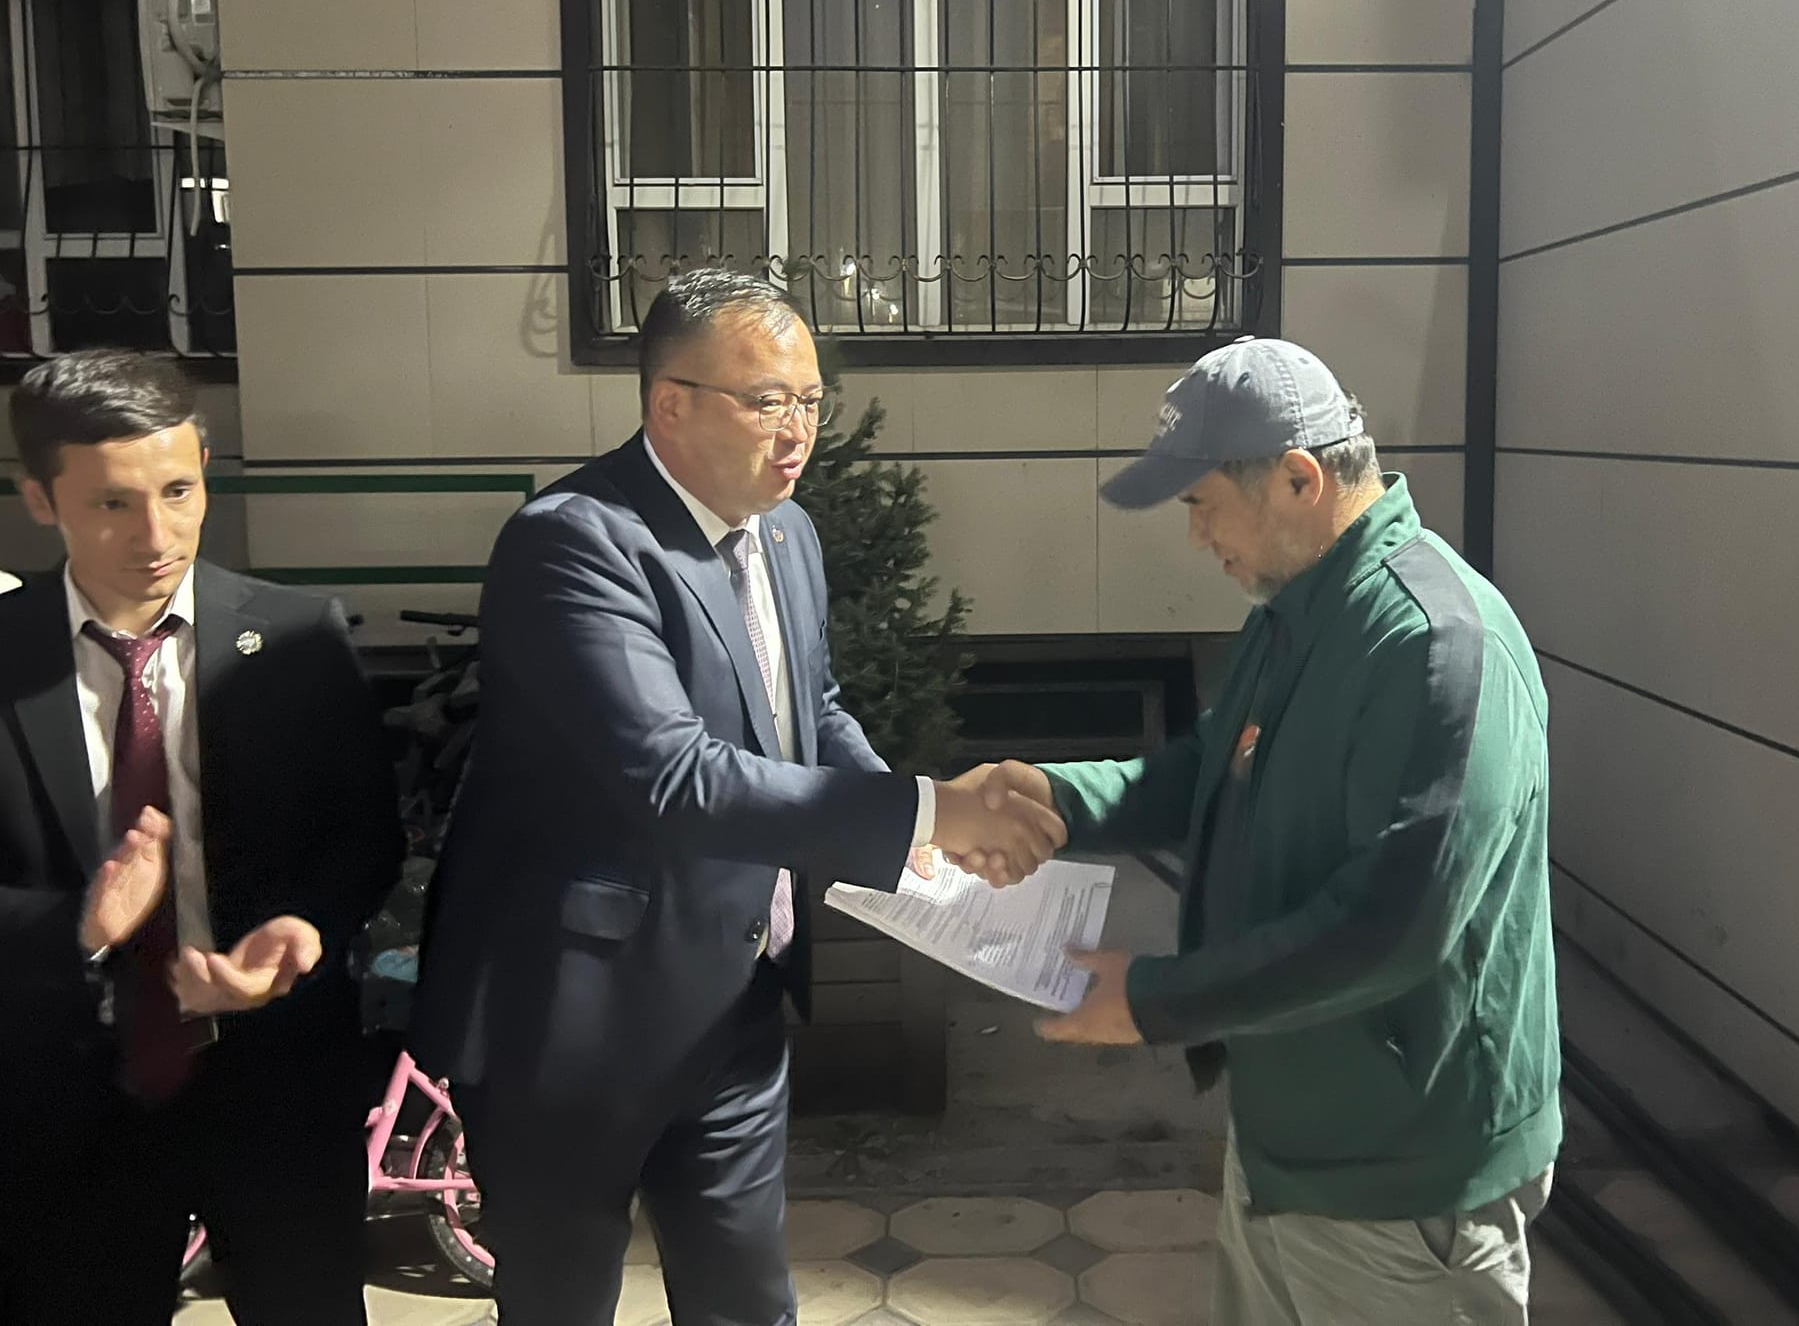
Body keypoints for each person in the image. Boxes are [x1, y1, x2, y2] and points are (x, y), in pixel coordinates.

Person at [411, 268, 1067, 1326]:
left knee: (747, 1303)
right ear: (670, 405)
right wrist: (928, 811)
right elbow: (674, 774)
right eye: (767, 402)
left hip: (735, 1004)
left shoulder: (787, 534)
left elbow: (811, 712)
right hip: (572, 1020)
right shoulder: (575, 540)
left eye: (810, 400)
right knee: (561, 1304)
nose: (797, 430)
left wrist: (914, 830)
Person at [970, 336, 1561, 1324]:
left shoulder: (1432, 648)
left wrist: (1152, 999)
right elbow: (1209, 771)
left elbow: (1389, 926)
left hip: (1404, 1174)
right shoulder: (1296, 613)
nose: (1195, 536)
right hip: (1289, 1124)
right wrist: (1054, 797)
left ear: (1297, 479)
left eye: (1202, 503)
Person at [0, 350, 403, 1325]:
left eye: (179, 492)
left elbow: (362, 835)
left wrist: (307, 927)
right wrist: (79, 927)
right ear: (39, 498)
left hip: (275, 1090)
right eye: (113, 504)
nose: (156, 536)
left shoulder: (298, 639)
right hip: (63, 1107)